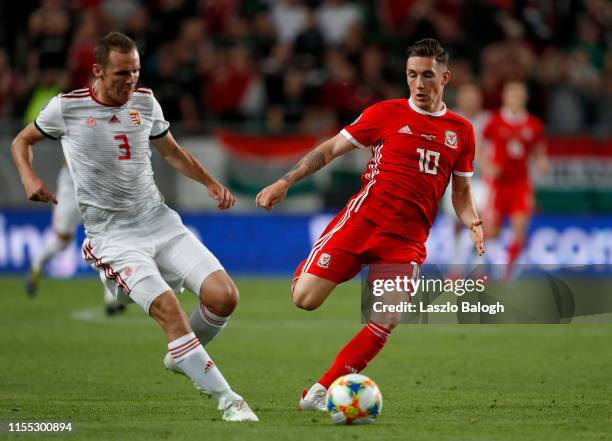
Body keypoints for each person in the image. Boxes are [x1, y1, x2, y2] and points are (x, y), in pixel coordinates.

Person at [11, 31, 258, 422]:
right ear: (97, 71)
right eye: (121, 73)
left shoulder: (145, 101)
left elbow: (172, 152)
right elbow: (21, 141)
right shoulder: (66, 107)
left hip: (160, 221)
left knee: (224, 297)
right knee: (169, 310)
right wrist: (29, 179)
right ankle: (229, 400)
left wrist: (210, 182)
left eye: (136, 71)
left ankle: (183, 356)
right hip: (114, 237)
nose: (130, 81)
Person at [256, 38, 485, 411]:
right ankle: (326, 263)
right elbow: (329, 149)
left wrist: (472, 218)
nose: (419, 84)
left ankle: (319, 391)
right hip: (362, 222)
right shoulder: (384, 113)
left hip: (406, 240)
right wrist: (286, 181)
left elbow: (460, 192)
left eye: (428, 75)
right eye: (412, 75)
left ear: (446, 77)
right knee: (304, 300)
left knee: (387, 318)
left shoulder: (461, 131)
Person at [25, 164, 127, 315]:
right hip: (71, 184)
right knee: (62, 241)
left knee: (108, 236)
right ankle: (37, 264)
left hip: (96, 183)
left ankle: (112, 299)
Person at [481, 81, 548, 277]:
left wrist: (542, 161)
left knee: (519, 230)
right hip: (498, 184)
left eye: (519, 95)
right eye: (512, 94)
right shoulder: (495, 121)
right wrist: (487, 166)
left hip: (521, 184)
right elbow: (477, 145)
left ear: (525, 98)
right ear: (505, 97)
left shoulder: (533, 124)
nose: (516, 99)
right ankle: (486, 266)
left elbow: (538, 150)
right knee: (491, 232)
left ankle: (506, 274)